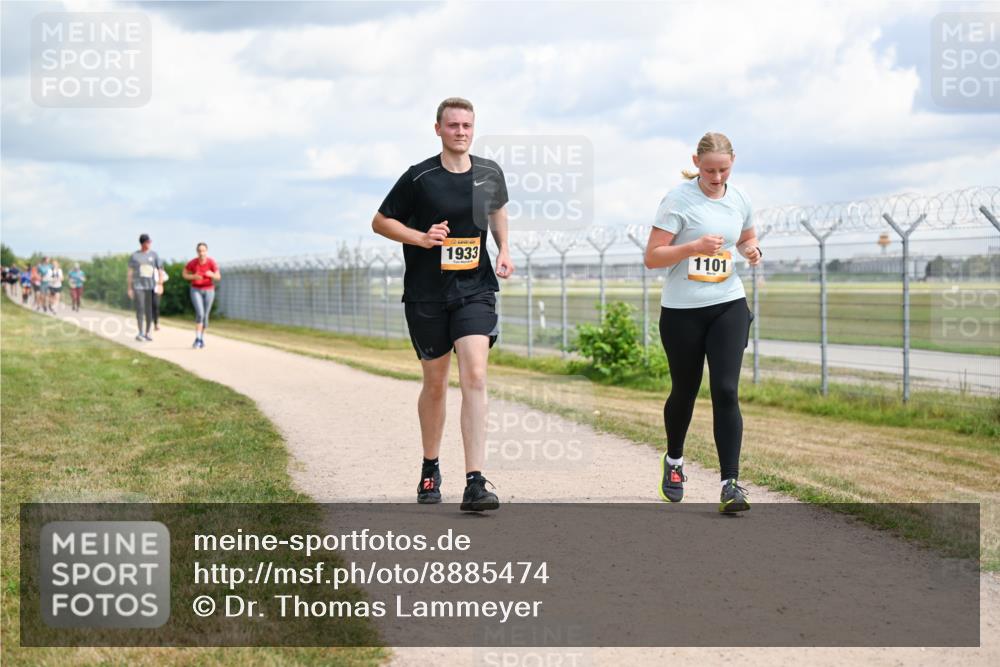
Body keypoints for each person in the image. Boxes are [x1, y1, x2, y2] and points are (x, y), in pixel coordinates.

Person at [372, 97, 514, 512]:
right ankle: (430, 466)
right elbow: (380, 222)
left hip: (475, 287)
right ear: (438, 129)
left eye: (467, 125)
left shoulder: (490, 172)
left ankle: (475, 482)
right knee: (435, 384)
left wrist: (504, 248)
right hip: (427, 293)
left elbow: (499, 208)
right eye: (452, 125)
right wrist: (420, 237)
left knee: (475, 374)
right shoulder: (419, 177)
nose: (461, 132)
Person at [643, 132, 762, 513]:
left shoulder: (739, 198)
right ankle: (674, 461)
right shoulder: (678, 200)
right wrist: (693, 247)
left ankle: (730, 483)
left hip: (728, 302)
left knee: (726, 389)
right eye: (709, 169)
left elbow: (745, 237)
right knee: (686, 389)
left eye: (723, 169)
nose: (716, 177)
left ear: (733, 162)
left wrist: (751, 249)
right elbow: (653, 257)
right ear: (696, 162)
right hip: (682, 311)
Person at [182, 242, 220, 349]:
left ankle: (201, 338)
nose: (201, 253)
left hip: (209, 290)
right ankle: (197, 339)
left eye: (203, 251)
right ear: (197, 252)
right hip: (196, 290)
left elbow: (218, 276)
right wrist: (193, 276)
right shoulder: (193, 263)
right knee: (200, 313)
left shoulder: (211, 262)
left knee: (206, 316)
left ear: (206, 251)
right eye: (199, 251)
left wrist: (211, 274)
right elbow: (184, 274)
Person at [127, 234, 162, 342]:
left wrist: (160, 284)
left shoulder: (154, 255)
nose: (150, 244)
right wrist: (129, 288)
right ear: (143, 243)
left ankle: (148, 332)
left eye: (150, 242)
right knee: (140, 309)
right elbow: (130, 272)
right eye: (148, 242)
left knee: (149, 310)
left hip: (150, 286)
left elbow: (160, 270)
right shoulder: (135, 256)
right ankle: (140, 332)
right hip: (138, 286)